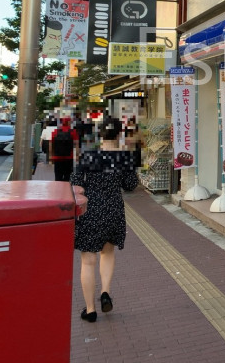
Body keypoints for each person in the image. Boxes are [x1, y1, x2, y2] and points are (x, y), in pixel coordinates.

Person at [71, 116, 139, 323]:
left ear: (100, 133)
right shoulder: (124, 157)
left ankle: (90, 310)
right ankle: (106, 293)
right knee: (107, 252)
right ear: (119, 134)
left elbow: (75, 183)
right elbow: (130, 185)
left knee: (88, 260)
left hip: (90, 211)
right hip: (113, 210)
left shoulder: (88, 155)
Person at [49, 116, 79, 182]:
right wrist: (77, 156)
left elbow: (51, 144)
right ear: (69, 122)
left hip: (57, 158)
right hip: (69, 158)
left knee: (58, 177)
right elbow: (76, 145)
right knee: (67, 177)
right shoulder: (73, 132)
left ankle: (58, 188)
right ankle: (66, 188)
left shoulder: (55, 132)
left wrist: (51, 156)